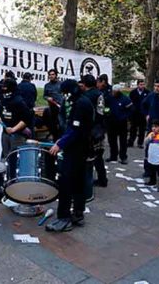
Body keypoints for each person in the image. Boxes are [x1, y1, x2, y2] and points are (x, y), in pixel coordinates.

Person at [46, 79, 94, 232]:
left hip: (77, 148)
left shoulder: (80, 104)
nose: (65, 97)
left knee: (66, 181)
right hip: (81, 146)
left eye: (66, 93)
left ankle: (64, 217)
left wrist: (60, 143)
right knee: (79, 181)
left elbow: (75, 128)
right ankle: (78, 213)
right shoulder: (80, 100)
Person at [0, 78, 33, 180]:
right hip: (5, 134)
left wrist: (14, 129)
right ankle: (9, 178)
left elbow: (26, 119)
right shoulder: (4, 99)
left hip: (17, 135)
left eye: (5, 87)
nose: (3, 89)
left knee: (15, 159)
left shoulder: (19, 101)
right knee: (7, 158)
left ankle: (17, 180)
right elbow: (3, 116)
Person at [81, 75, 108, 187]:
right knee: (98, 156)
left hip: (89, 130)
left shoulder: (84, 96)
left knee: (89, 156)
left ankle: (86, 179)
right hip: (99, 129)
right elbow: (101, 112)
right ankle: (102, 179)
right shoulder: (99, 94)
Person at [106, 84, 133, 164]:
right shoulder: (109, 98)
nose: (113, 93)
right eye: (113, 91)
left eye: (115, 92)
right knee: (112, 140)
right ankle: (113, 156)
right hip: (111, 122)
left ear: (118, 91)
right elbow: (105, 107)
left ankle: (123, 157)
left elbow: (131, 110)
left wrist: (125, 117)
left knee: (123, 141)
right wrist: (107, 113)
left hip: (122, 123)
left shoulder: (125, 99)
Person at [128, 79, 150, 148]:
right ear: (138, 85)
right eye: (140, 84)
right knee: (133, 128)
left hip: (143, 114)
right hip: (134, 113)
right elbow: (130, 102)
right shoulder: (133, 92)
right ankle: (131, 141)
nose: (142, 86)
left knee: (142, 129)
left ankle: (140, 143)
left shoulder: (147, 92)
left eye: (143, 84)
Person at [43, 69, 63, 140]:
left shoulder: (61, 84)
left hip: (61, 106)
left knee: (61, 123)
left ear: (56, 75)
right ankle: (55, 137)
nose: (51, 76)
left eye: (53, 74)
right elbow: (44, 95)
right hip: (52, 107)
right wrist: (48, 98)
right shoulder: (47, 85)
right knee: (53, 123)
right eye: (50, 75)